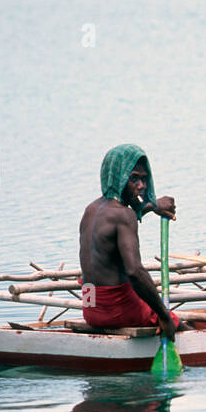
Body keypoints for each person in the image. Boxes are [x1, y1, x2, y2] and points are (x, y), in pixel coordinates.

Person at [79, 143, 179, 338]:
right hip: (116, 311)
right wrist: (164, 315)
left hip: (90, 308)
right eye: (134, 178)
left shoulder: (90, 210)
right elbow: (135, 272)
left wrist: (151, 205)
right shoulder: (124, 216)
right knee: (177, 322)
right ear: (118, 178)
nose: (141, 186)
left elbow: (122, 215)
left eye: (144, 179)